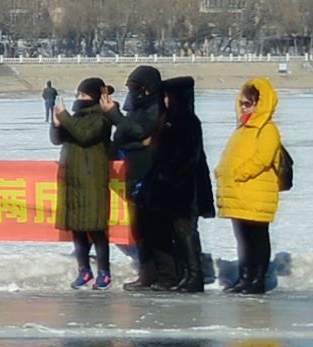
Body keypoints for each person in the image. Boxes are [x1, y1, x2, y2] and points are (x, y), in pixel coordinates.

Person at [142, 77, 214, 293]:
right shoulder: (170, 119)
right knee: (178, 232)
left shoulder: (187, 120)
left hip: (185, 189)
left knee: (186, 231)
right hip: (172, 188)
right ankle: (186, 274)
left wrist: (170, 175)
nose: (164, 100)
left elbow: (190, 157)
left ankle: (194, 275)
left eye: (168, 96)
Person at [215, 77, 284, 295]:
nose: (244, 107)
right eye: (242, 103)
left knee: (257, 238)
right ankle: (245, 277)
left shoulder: (267, 129)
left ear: (260, 104)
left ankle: (257, 279)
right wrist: (222, 171)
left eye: (249, 103)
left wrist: (238, 173)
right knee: (243, 239)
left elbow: (262, 158)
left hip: (256, 193)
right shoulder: (243, 129)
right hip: (240, 193)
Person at [50, 78, 114, 288]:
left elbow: (85, 135)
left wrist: (66, 118)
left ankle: (104, 272)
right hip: (73, 180)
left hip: (92, 180)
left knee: (96, 229)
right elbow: (57, 139)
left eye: (84, 95)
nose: (80, 99)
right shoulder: (75, 118)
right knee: (77, 229)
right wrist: (57, 124)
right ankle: (84, 270)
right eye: (78, 95)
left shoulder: (101, 118)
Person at [110, 66, 168, 287]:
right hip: (135, 177)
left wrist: (115, 117)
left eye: (137, 88)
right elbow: (126, 137)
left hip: (150, 176)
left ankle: (163, 275)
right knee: (141, 229)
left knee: (155, 229)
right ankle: (148, 274)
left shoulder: (156, 108)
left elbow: (141, 132)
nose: (133, 93)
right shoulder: (138, 109)